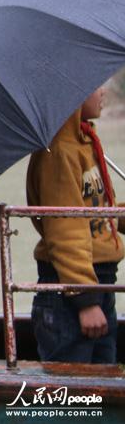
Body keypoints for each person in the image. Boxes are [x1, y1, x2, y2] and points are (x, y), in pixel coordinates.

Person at [27, 83, 123, 363]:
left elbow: (99, 212)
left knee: (103, 383)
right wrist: (85, 301)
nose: (104, 91)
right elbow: (65, 229)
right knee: (75, 389)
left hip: (100, 282)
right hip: (70, 291)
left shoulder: (84, 144)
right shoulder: (59, 153)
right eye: (96, 86)